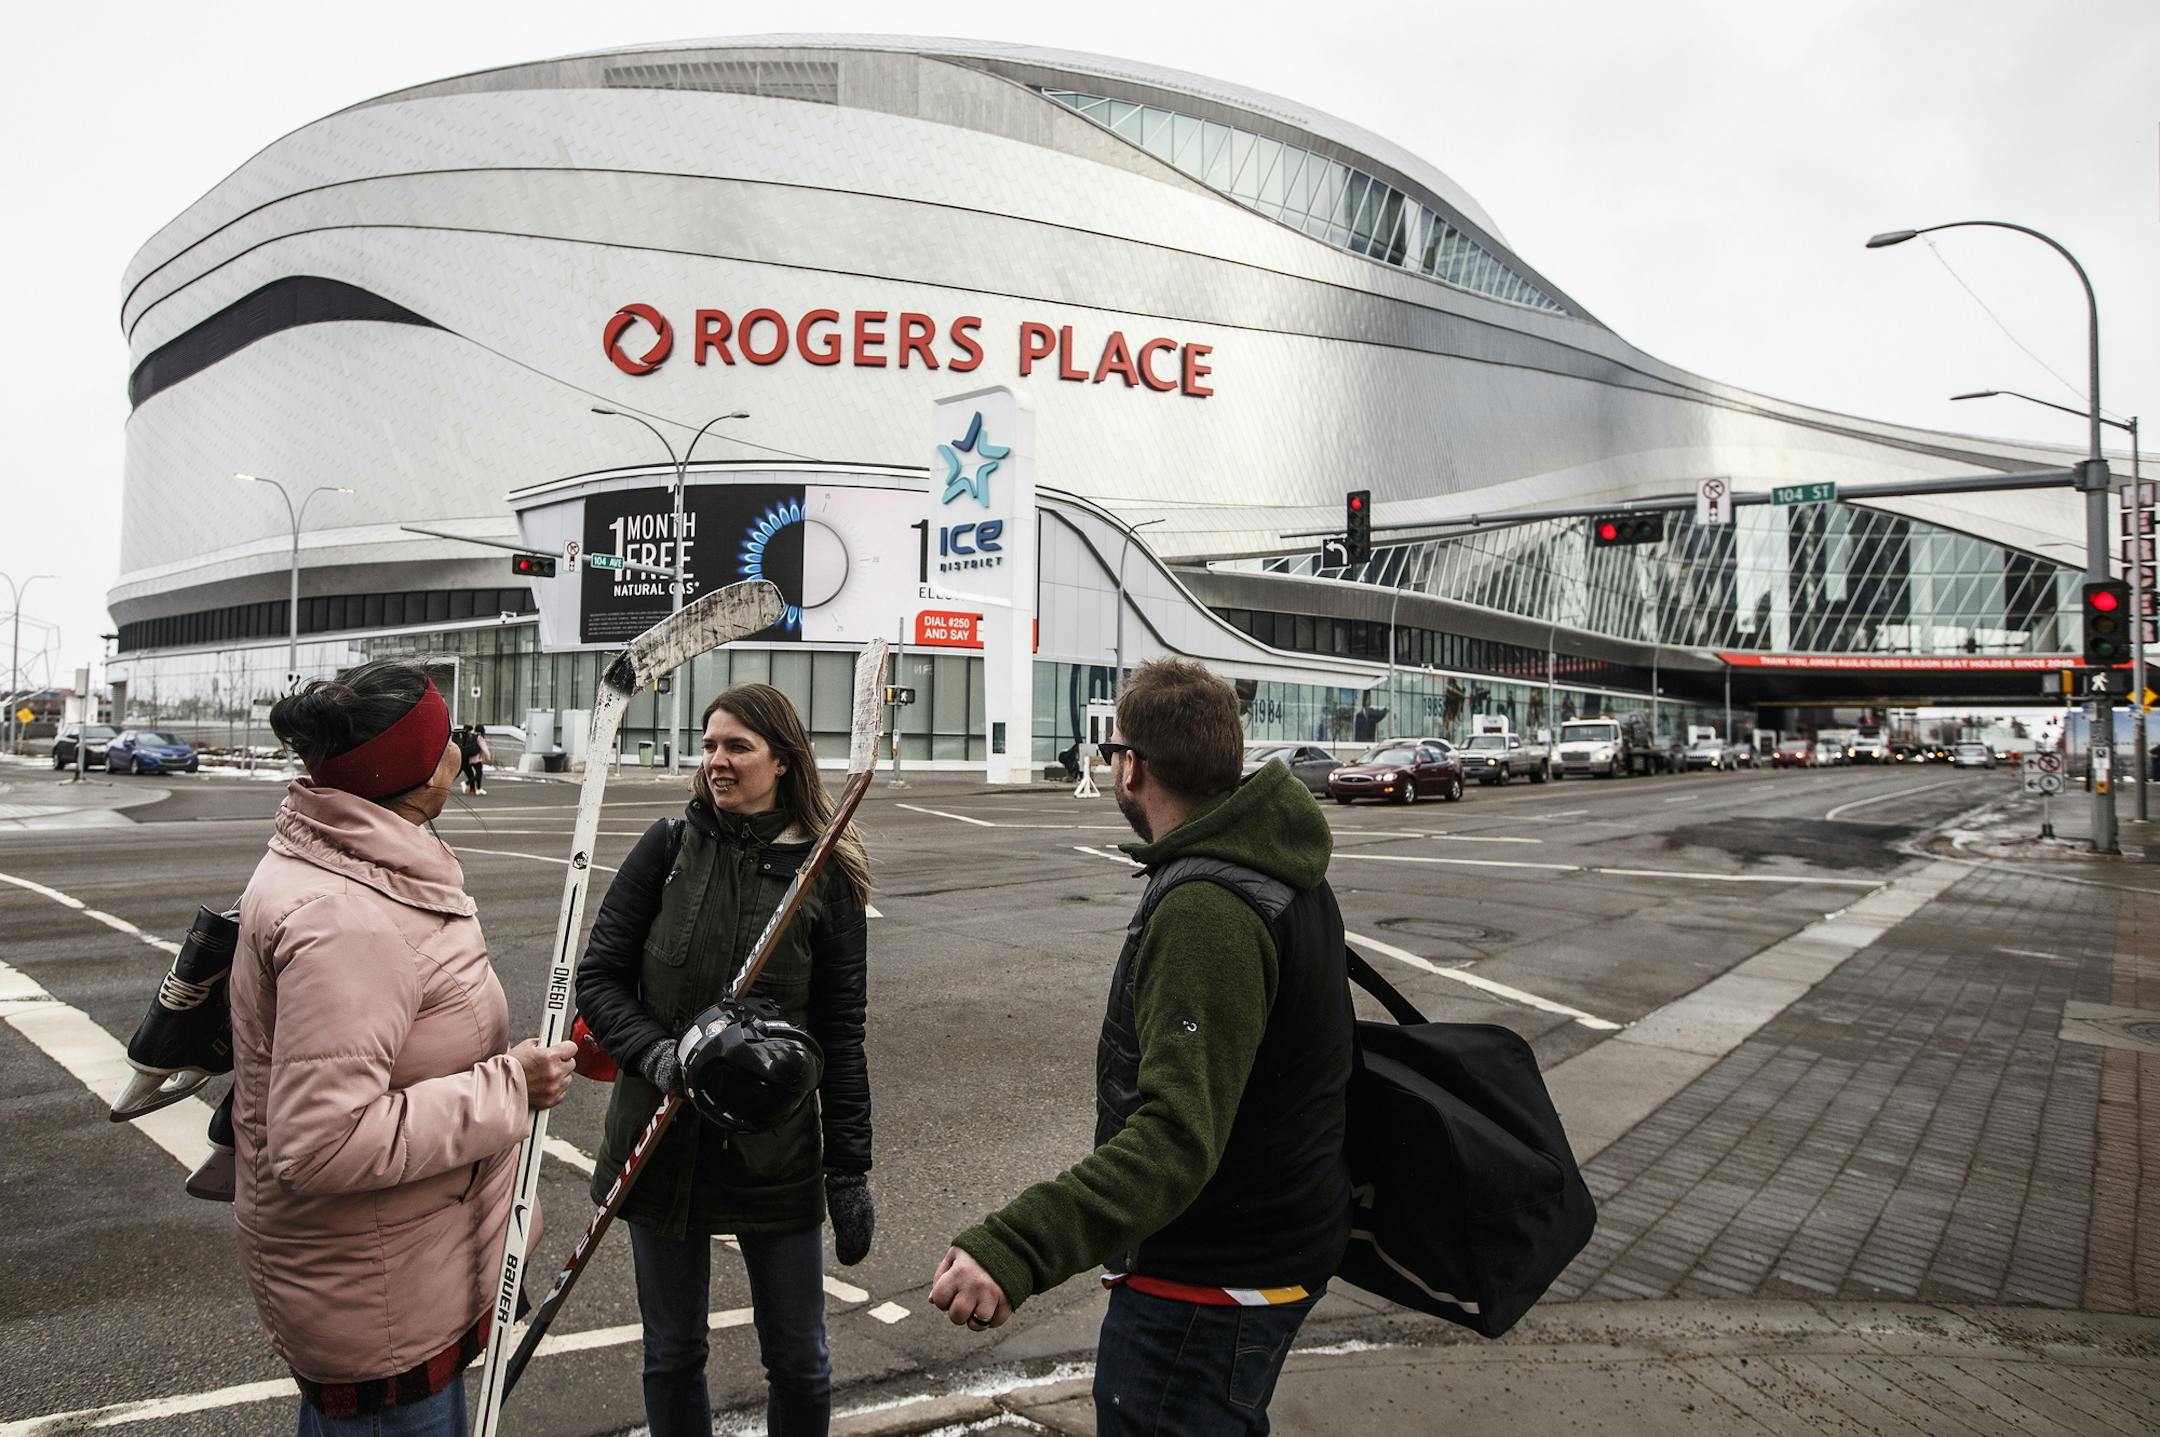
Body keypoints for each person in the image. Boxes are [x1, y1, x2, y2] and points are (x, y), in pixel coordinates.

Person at [929, 658, 1353, 1436]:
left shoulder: (1208, 909)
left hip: (1211, 1283)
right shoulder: (1272, 867)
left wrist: (1016, 1246)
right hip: (1261, 1254)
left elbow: (1174, 1137)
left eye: (1110, 749)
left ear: (1133, 768)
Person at [228, 659, 577, 1434]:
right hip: (380, 1304)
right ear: (417, 774)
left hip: (397, 1272)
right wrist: (509, 1085)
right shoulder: (348, 918)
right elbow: (323, 1142)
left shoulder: (346, 856)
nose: (462, 749)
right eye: (447, 739)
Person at [577, 683, 874, 1437]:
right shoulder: (668, 848)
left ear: (782, 760)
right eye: (710, 745)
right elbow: (600, 979)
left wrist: (847, 1168)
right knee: (673, 1353)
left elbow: (841, 1034)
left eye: (737, 745)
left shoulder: (823, 874)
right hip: (661, 1139)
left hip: (774, 1155)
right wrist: (655, 1053)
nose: (717, 760)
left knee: (800, 1358)